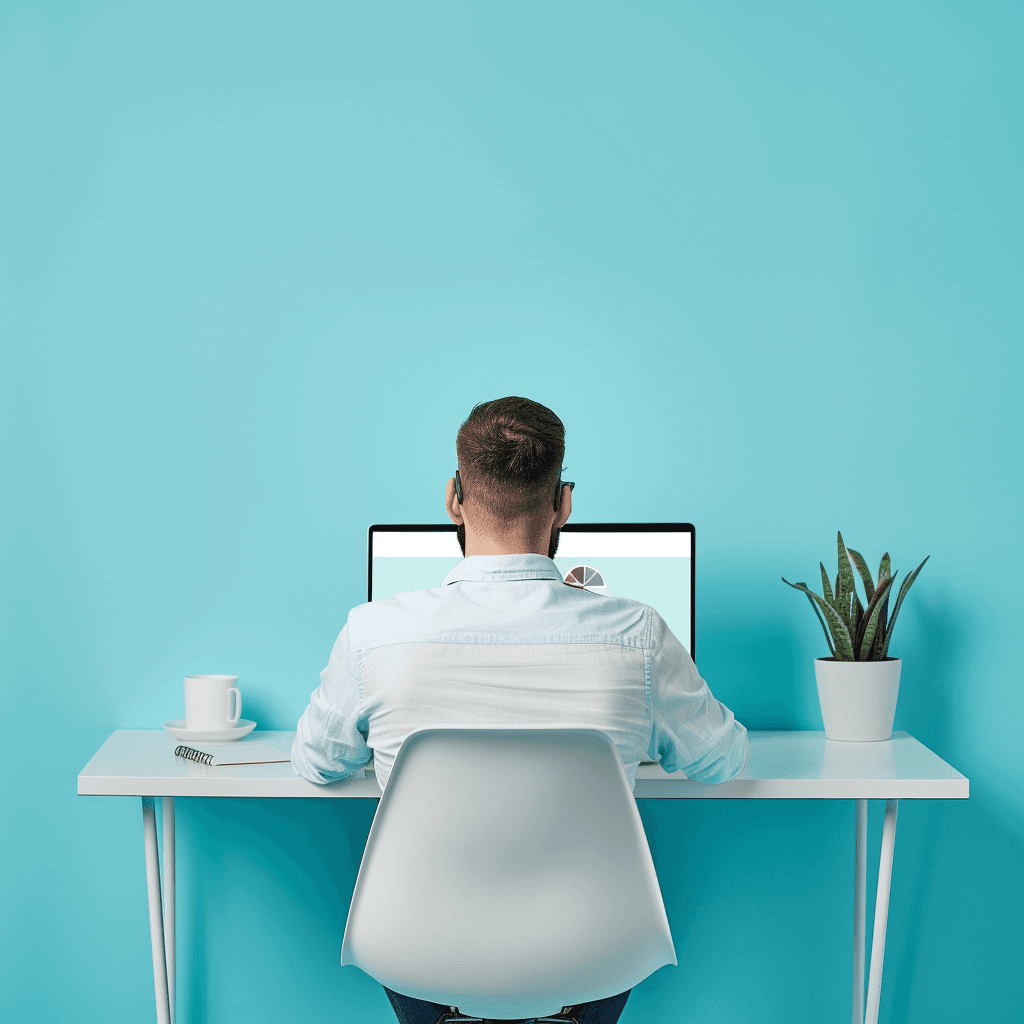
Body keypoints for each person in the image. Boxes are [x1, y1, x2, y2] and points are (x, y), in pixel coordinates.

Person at [293, 396, 749, 1024]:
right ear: (563, 502)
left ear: (454, 498)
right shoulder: (638, 633)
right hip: (591, 958)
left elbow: (315, 762)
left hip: (419, 956)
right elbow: (722, 760)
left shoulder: (373, 634)